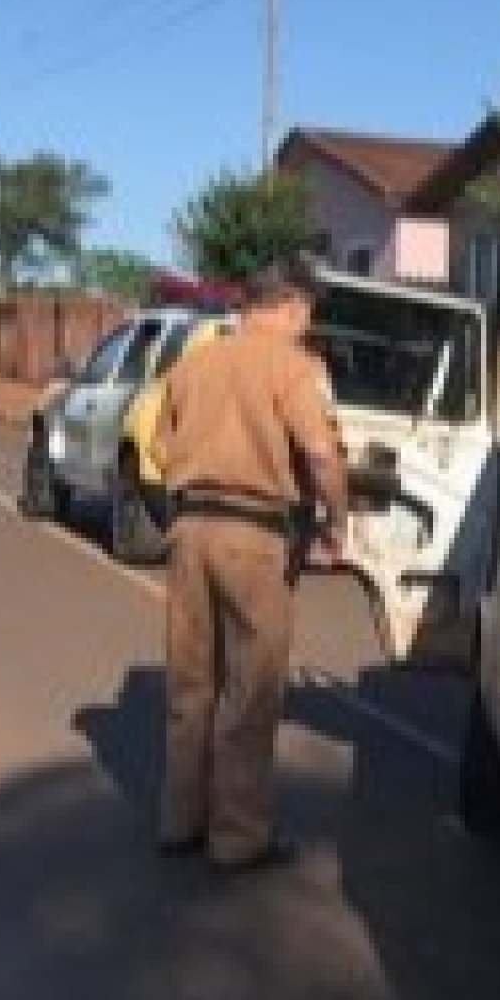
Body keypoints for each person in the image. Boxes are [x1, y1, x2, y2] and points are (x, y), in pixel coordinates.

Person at [150, 255, 348, 871]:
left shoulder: (194, 362)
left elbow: (158, 448)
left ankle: (179, 820)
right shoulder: (295, 368)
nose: (307, 325)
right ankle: (237, 838)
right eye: (306, 313)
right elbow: (318, 452)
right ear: (289, 305)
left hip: (188, 531)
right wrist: (338, 517)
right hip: (254, 538)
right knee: (251, 690)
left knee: (190, 686)